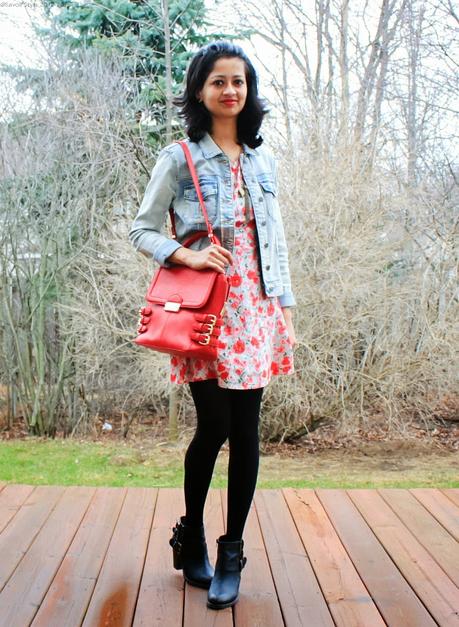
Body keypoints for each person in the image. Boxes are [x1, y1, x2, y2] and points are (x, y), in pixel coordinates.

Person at [129, 40, 296, 610]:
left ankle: (231, 551)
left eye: (239, 82)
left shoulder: (262, 160)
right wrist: (188, 256)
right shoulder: (179, 157)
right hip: (206, 308)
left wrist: (286, 308)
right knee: (213, 427)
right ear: (201, 90)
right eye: (219, 81)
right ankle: (191, 535)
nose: (230, 90)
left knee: (246, 430)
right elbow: (142, 230)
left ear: (249, 92)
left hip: (256, 310)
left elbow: (276, 241)